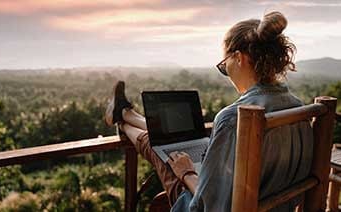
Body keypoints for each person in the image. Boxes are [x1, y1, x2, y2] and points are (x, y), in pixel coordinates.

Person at [105, 11, 313, 212]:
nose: (227, 72)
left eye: (224, 66)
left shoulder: (233, 119)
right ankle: (125, 114)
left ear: (239, 58)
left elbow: (210, 206)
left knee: (157, 145)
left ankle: (122, 120)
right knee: (170, 139)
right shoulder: (299, 108)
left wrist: (186, 172)